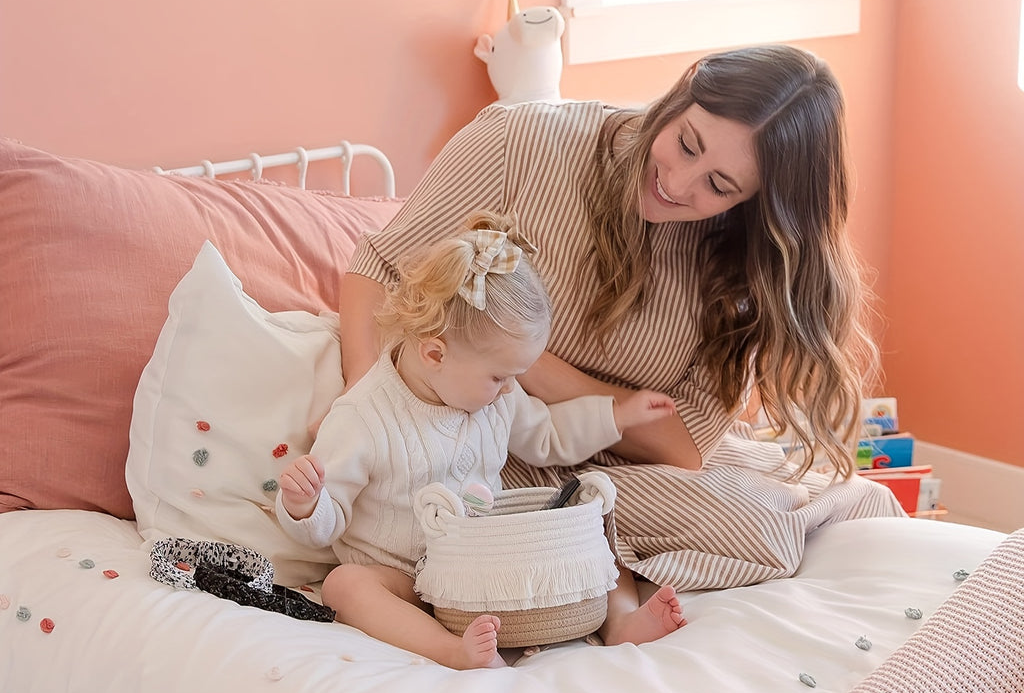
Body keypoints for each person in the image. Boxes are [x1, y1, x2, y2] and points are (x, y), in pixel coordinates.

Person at [338, 43, 906, 613]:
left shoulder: (742, 261)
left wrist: (525, 362)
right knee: (765, 528)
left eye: (719, 186)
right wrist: (367, 407)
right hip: (491, 446)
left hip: (626, 457)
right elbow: (381, 268)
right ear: (680, 97)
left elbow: (683, 445)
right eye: (686, 143)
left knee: (869, 504)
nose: (678, 183)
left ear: (758, 203)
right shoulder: (521, 141)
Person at [276, 211, 682, 670]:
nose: (510, 389)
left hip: (484, 565)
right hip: (406, 580)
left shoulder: (495, 399)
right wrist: (305, 504)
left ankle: (620, 621)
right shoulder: (363, 416)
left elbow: (548, 436)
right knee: (345, 585)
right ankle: (451, 650)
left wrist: (616, 416)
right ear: (435, 353)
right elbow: (328, 523)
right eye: (499, 376)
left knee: (587, 527)